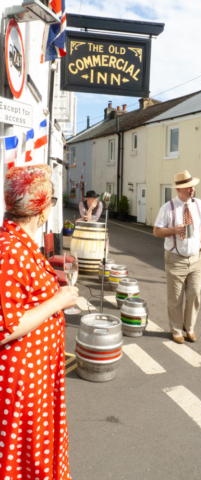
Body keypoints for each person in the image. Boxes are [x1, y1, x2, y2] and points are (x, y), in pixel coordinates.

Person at [0, 164, 78, 480]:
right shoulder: (10, 250)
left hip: (35, 377)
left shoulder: (19, 244)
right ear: (41, 211)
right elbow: (5, 325)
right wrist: (58, 301)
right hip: (22, 384)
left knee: (33, 458)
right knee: (23, 460)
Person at [153, 170, 201, 344]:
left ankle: (189, 327)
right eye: (188, 187)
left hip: (196, 258)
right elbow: (156, 231)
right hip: (176, 258)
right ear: (179, 189)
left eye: (192, 186)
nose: (191, 189)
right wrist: (174, 230)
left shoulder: (199, 204)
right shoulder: (168, 207)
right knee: (175, 298)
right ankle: (176, 329)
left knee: (194, 295)